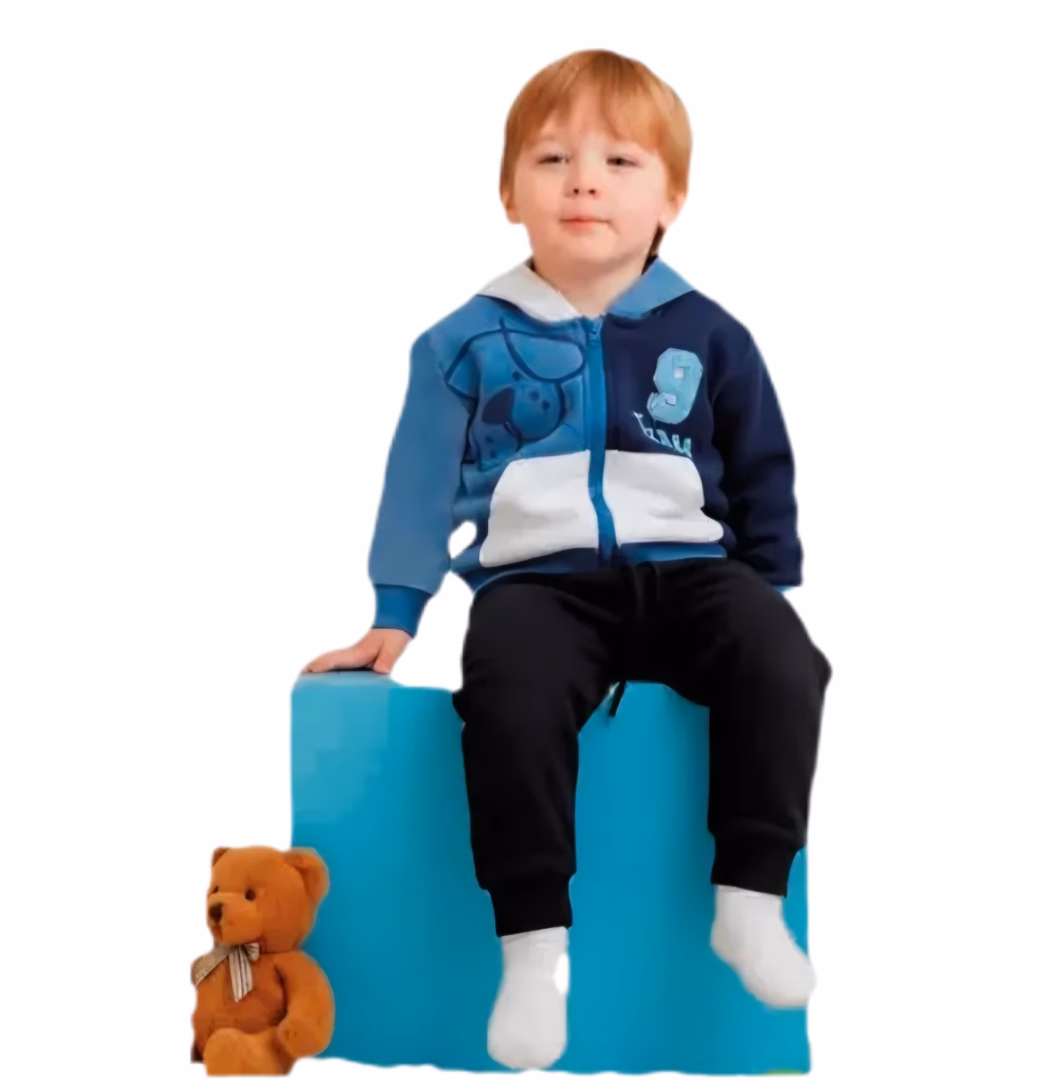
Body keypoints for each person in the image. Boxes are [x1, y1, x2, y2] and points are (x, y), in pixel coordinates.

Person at [302, 48, 832, 1070]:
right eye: (553, 159)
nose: (584, 181)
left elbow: (762, 463)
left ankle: (749, 900)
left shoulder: (711, 334)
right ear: (509, 193)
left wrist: (766, 590)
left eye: (619, 162)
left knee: (785, 658)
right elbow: (417, 485)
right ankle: (532, 954)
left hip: (693, 577)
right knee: (509, 693)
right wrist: (394, 614)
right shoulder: (462, 343)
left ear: (672, 198)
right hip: (538, 588)